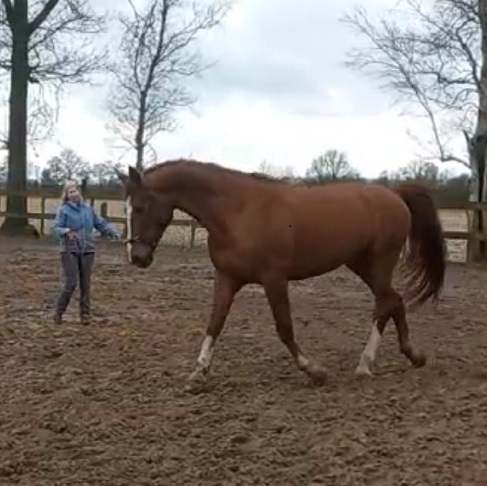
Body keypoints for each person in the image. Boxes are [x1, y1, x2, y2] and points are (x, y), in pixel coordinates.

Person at [52, 180, 120, 325]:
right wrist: (66, 231)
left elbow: (100, 223)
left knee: (85, 284)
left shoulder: (88, 209)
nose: (74, 194)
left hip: (87, 249)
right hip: (69, 250)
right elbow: (56, 228)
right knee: (71, 283)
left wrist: (112, 231)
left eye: (75, 190)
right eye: (70, 191)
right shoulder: (63, 210)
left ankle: (85, 314)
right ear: (66, 195)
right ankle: (59, 312)